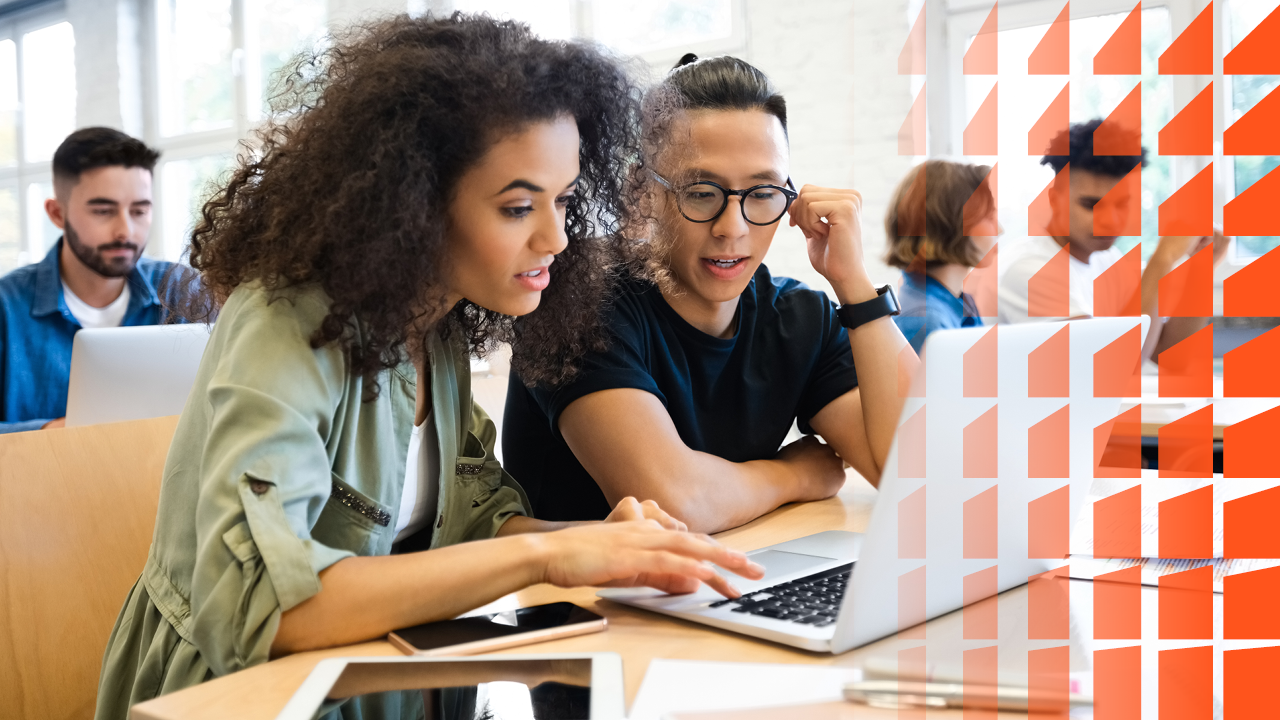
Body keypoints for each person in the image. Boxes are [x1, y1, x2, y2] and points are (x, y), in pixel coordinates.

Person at [93, 16, 762, 720]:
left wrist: (603, 545)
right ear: (413, 202)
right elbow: (263, 608)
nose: (557, 237)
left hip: (385, 687)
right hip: (238, 700)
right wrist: (545, 559)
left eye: (563, 200)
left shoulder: (435, 323)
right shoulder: (285, 320)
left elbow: (476, 522)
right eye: (518, 206)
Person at [502, 54, 915, 534]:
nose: (732, 228)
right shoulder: (576, 302)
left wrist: (854, 285)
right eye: (700, 192)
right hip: (589, 584)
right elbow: (673, 503)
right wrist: (795, 474)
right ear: (641, 192)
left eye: (762, 193)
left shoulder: (800, 319)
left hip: (741, 569)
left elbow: (920, 474)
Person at [0, 127, 193, 433]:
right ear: (57, 213)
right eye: (103, 211)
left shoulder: (182, 290)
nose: (125, 231)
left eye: (139, 211)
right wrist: (49, 433)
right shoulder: (6, 307)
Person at [997, 119, 1230, 358]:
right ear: (1055, 200)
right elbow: (1113, 364)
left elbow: (1169, 355)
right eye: (1091, 205)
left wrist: (1201, 269)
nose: (1109, 221)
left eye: (1121, 204)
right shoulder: (1029, 270)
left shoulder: (1107, 260)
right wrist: (1164, 258)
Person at [883, 159, 1000, 353]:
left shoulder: (956, 302)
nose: (1000, 229)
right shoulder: (927, 321)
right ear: (953, 225)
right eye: (989, 217)